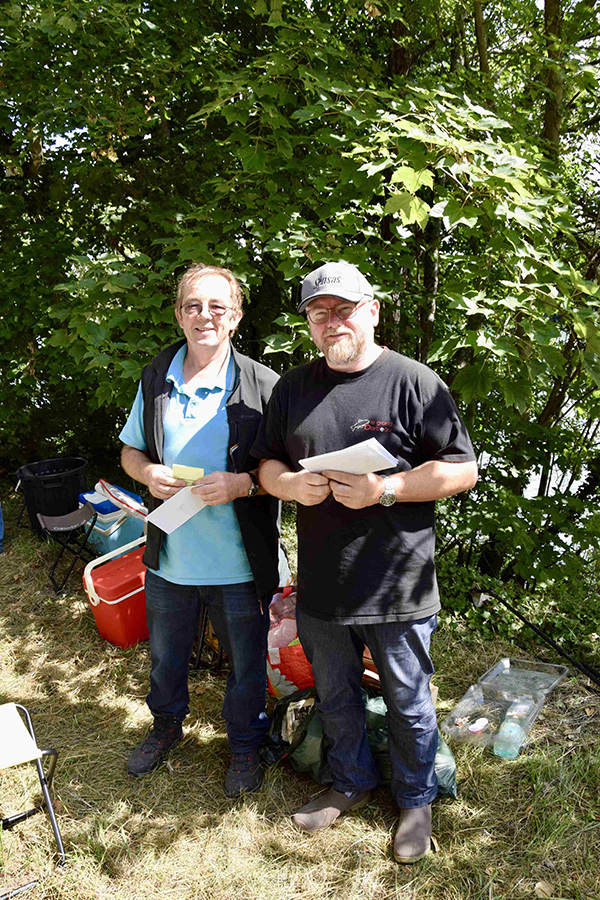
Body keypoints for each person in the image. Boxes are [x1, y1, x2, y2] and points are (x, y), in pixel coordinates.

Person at [253, 260, 477, 862]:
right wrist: (287, 487)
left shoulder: (415, 382)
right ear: (308, 322)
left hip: (397, 581)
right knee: (336, 691)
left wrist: (389, 489)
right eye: (319, 312)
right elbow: (267, 462)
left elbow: (461, 468)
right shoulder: (292, 388)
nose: (333, 322)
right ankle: (349, 780)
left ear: (372, 310)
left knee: (409, 698)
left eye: (345, 309)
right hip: (325, 579)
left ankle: (415, 798)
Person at [119, 263, 280, 797]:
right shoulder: (155, 377)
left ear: (234, 317)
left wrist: (242, 484)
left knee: (247, 665)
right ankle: (166, 727)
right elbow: (130, 450)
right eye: (193, 306)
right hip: (171, 553)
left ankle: (243, 746)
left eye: (217, 306)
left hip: (240, 560)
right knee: (165, 656)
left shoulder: (263, 385)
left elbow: (288, 474)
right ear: (178, 315)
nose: (204, 316)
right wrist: (146, 472)